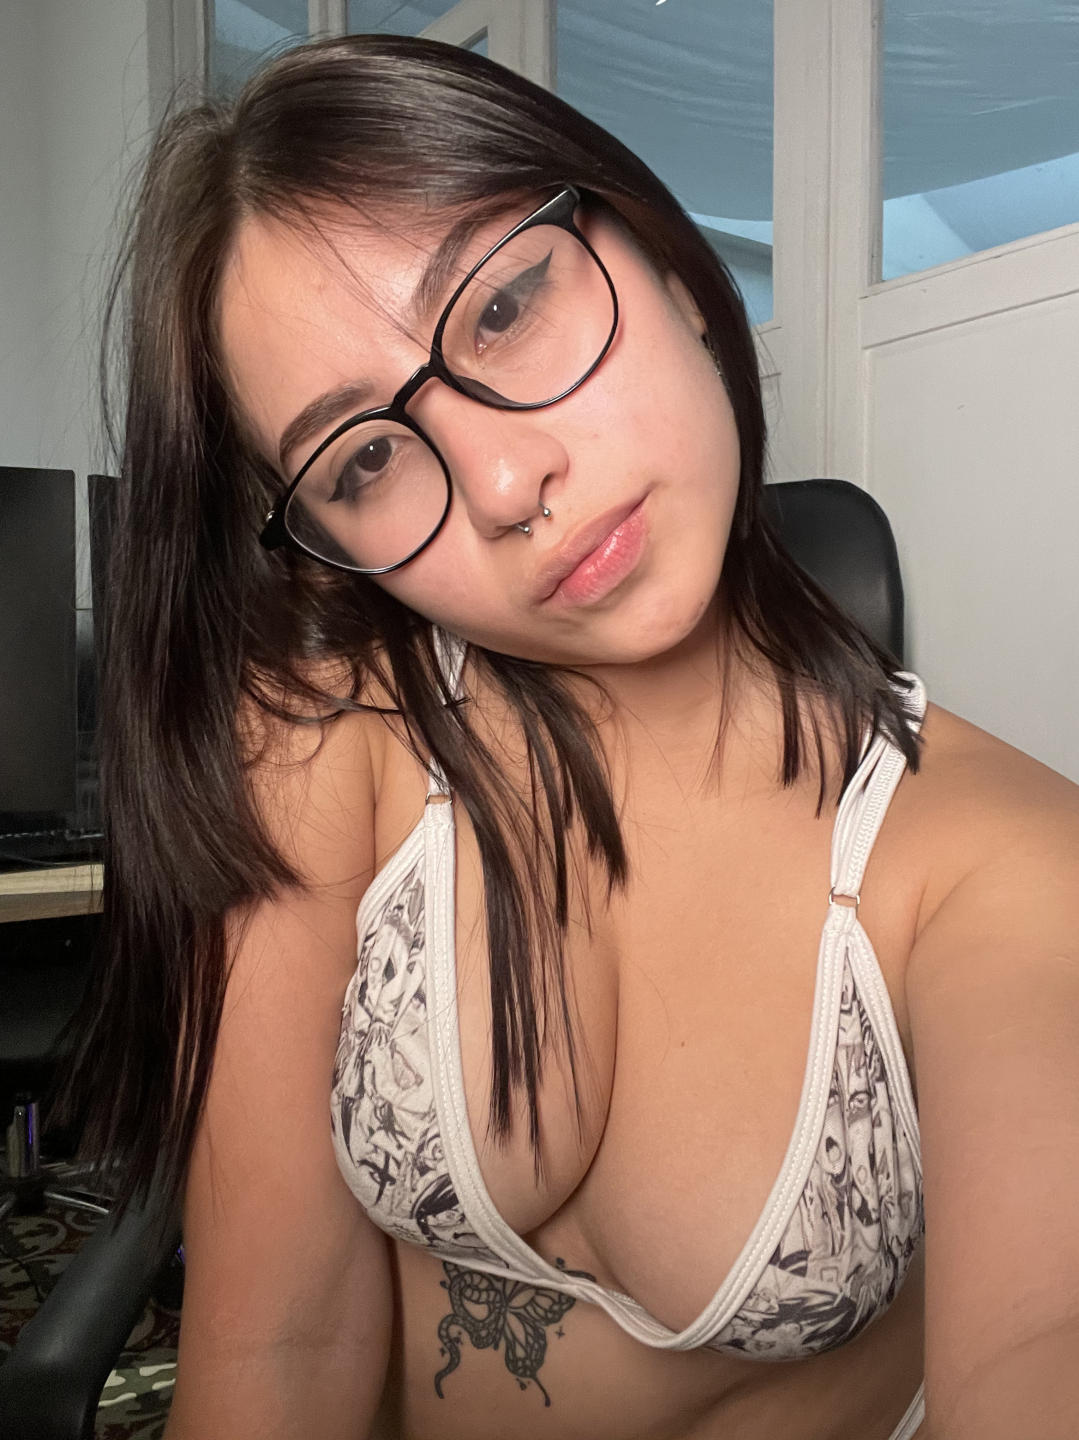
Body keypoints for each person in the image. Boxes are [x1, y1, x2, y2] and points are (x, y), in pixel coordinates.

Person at [67, 32, 1079, 1440]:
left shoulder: (999, 864)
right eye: (366, 457)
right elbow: (276, 1346)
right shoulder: (330, 737)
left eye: (502, 309)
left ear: (667, 262)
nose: (499, 481)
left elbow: (1042, 1343)